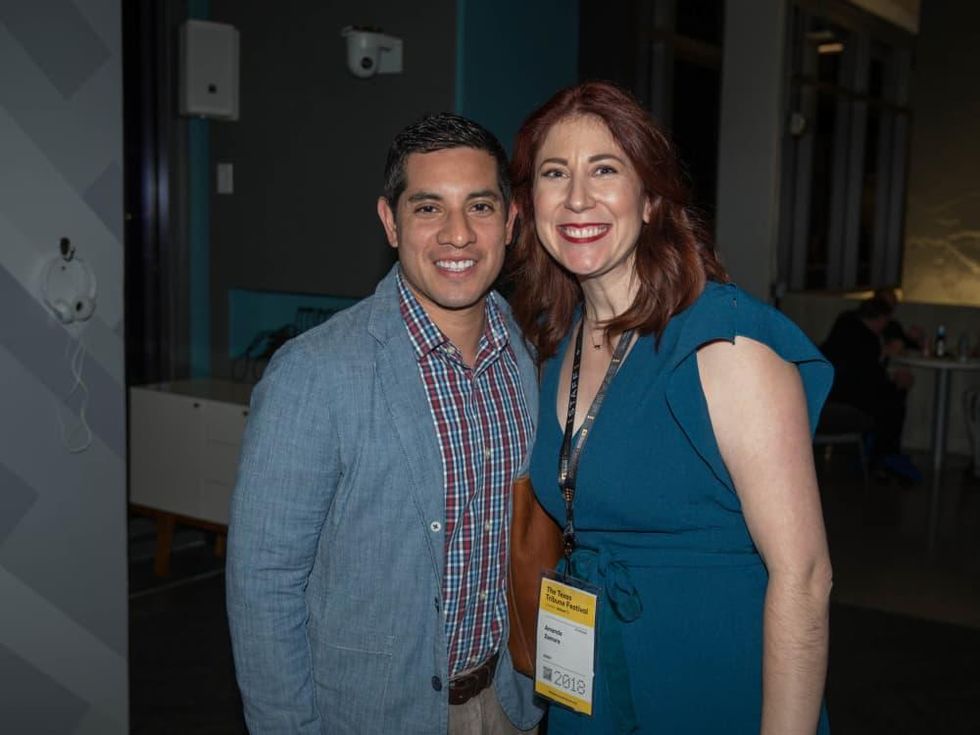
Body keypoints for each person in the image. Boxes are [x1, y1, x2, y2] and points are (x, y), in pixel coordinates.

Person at [507, 81, 833, 733]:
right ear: (531, 202)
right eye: (554, 173)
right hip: (591, 682)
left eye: (605, 169)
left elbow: (804, 577)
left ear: (651, 198)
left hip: (710, 683)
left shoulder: (725, 343)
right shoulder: (557, 345)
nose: (577, 198)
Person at [226, 113, 543, 734]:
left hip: (511, 702)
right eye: (429, 209)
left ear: (510, 222)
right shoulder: (312, 374)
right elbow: (262, 585)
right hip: (373, 716)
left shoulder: (532, 357)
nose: (458, 235)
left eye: (479, 207)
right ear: (390, 221)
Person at [820, 296, 919, 481]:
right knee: (893, 402)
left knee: (889, 397)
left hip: (828, 391)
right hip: (844, 396)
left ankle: (879, 457)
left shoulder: (846, 323)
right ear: (881, 318)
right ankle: (882, 459)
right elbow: (866, 379)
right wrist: (894, 380)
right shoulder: (865, 339)